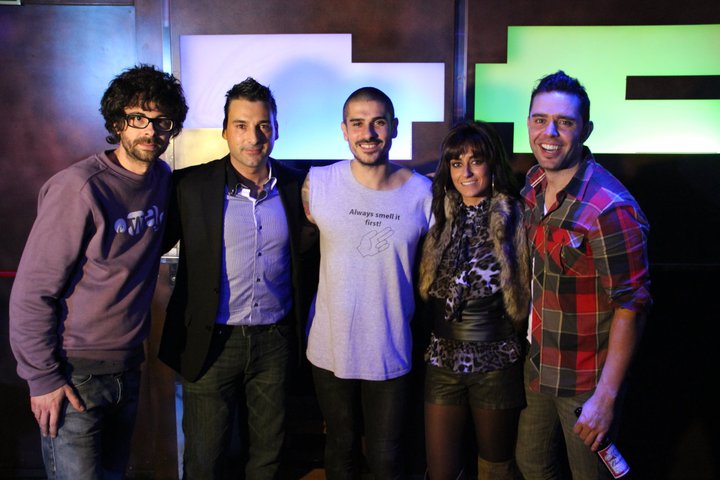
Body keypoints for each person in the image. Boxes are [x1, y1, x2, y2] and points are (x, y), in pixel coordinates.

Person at [9, 64, 188, 479]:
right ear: (116, 122)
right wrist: (42, 379)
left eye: (161, 121)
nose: (150, 130)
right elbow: (33, 292)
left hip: (128, 365)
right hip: (74, 373)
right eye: (138, 118)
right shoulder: (80, 188)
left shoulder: (161, 178)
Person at [157, 77, 319, 479]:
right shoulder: (189, 186)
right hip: (211, 342)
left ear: (276, 130)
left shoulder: (301, 185)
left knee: (268, 458)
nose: (253, 137)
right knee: (204, 460)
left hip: (275, 342)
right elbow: (147, 247)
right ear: (225, 131)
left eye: (263, 125)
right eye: (242, 125)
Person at [515, 70, 651, 479]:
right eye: (540, 120)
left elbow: (632, 306)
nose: (549, 132)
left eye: (564, 122)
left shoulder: (609, 208)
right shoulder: (534, 184)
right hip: (539, 363)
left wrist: (605, 398)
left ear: (585, 130)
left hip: (586, 379)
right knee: (532, 463)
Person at [301, 86, 433, 479]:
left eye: (378, 122)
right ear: (344, 130)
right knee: (339, 448)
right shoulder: (317, 183)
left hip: (390, 344)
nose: (368, 133)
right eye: (357, 123)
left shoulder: (423, 193)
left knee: (387, 456)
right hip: (329, 345)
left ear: (394, 127)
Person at [418, 121, 529, 480]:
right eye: (456, 163)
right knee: (441, 471)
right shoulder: (437, 213)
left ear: (491, 164)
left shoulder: (516, 214)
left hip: (496, 360)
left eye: (475, 161)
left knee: (496, 469)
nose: (465, 172)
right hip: (442, 359)